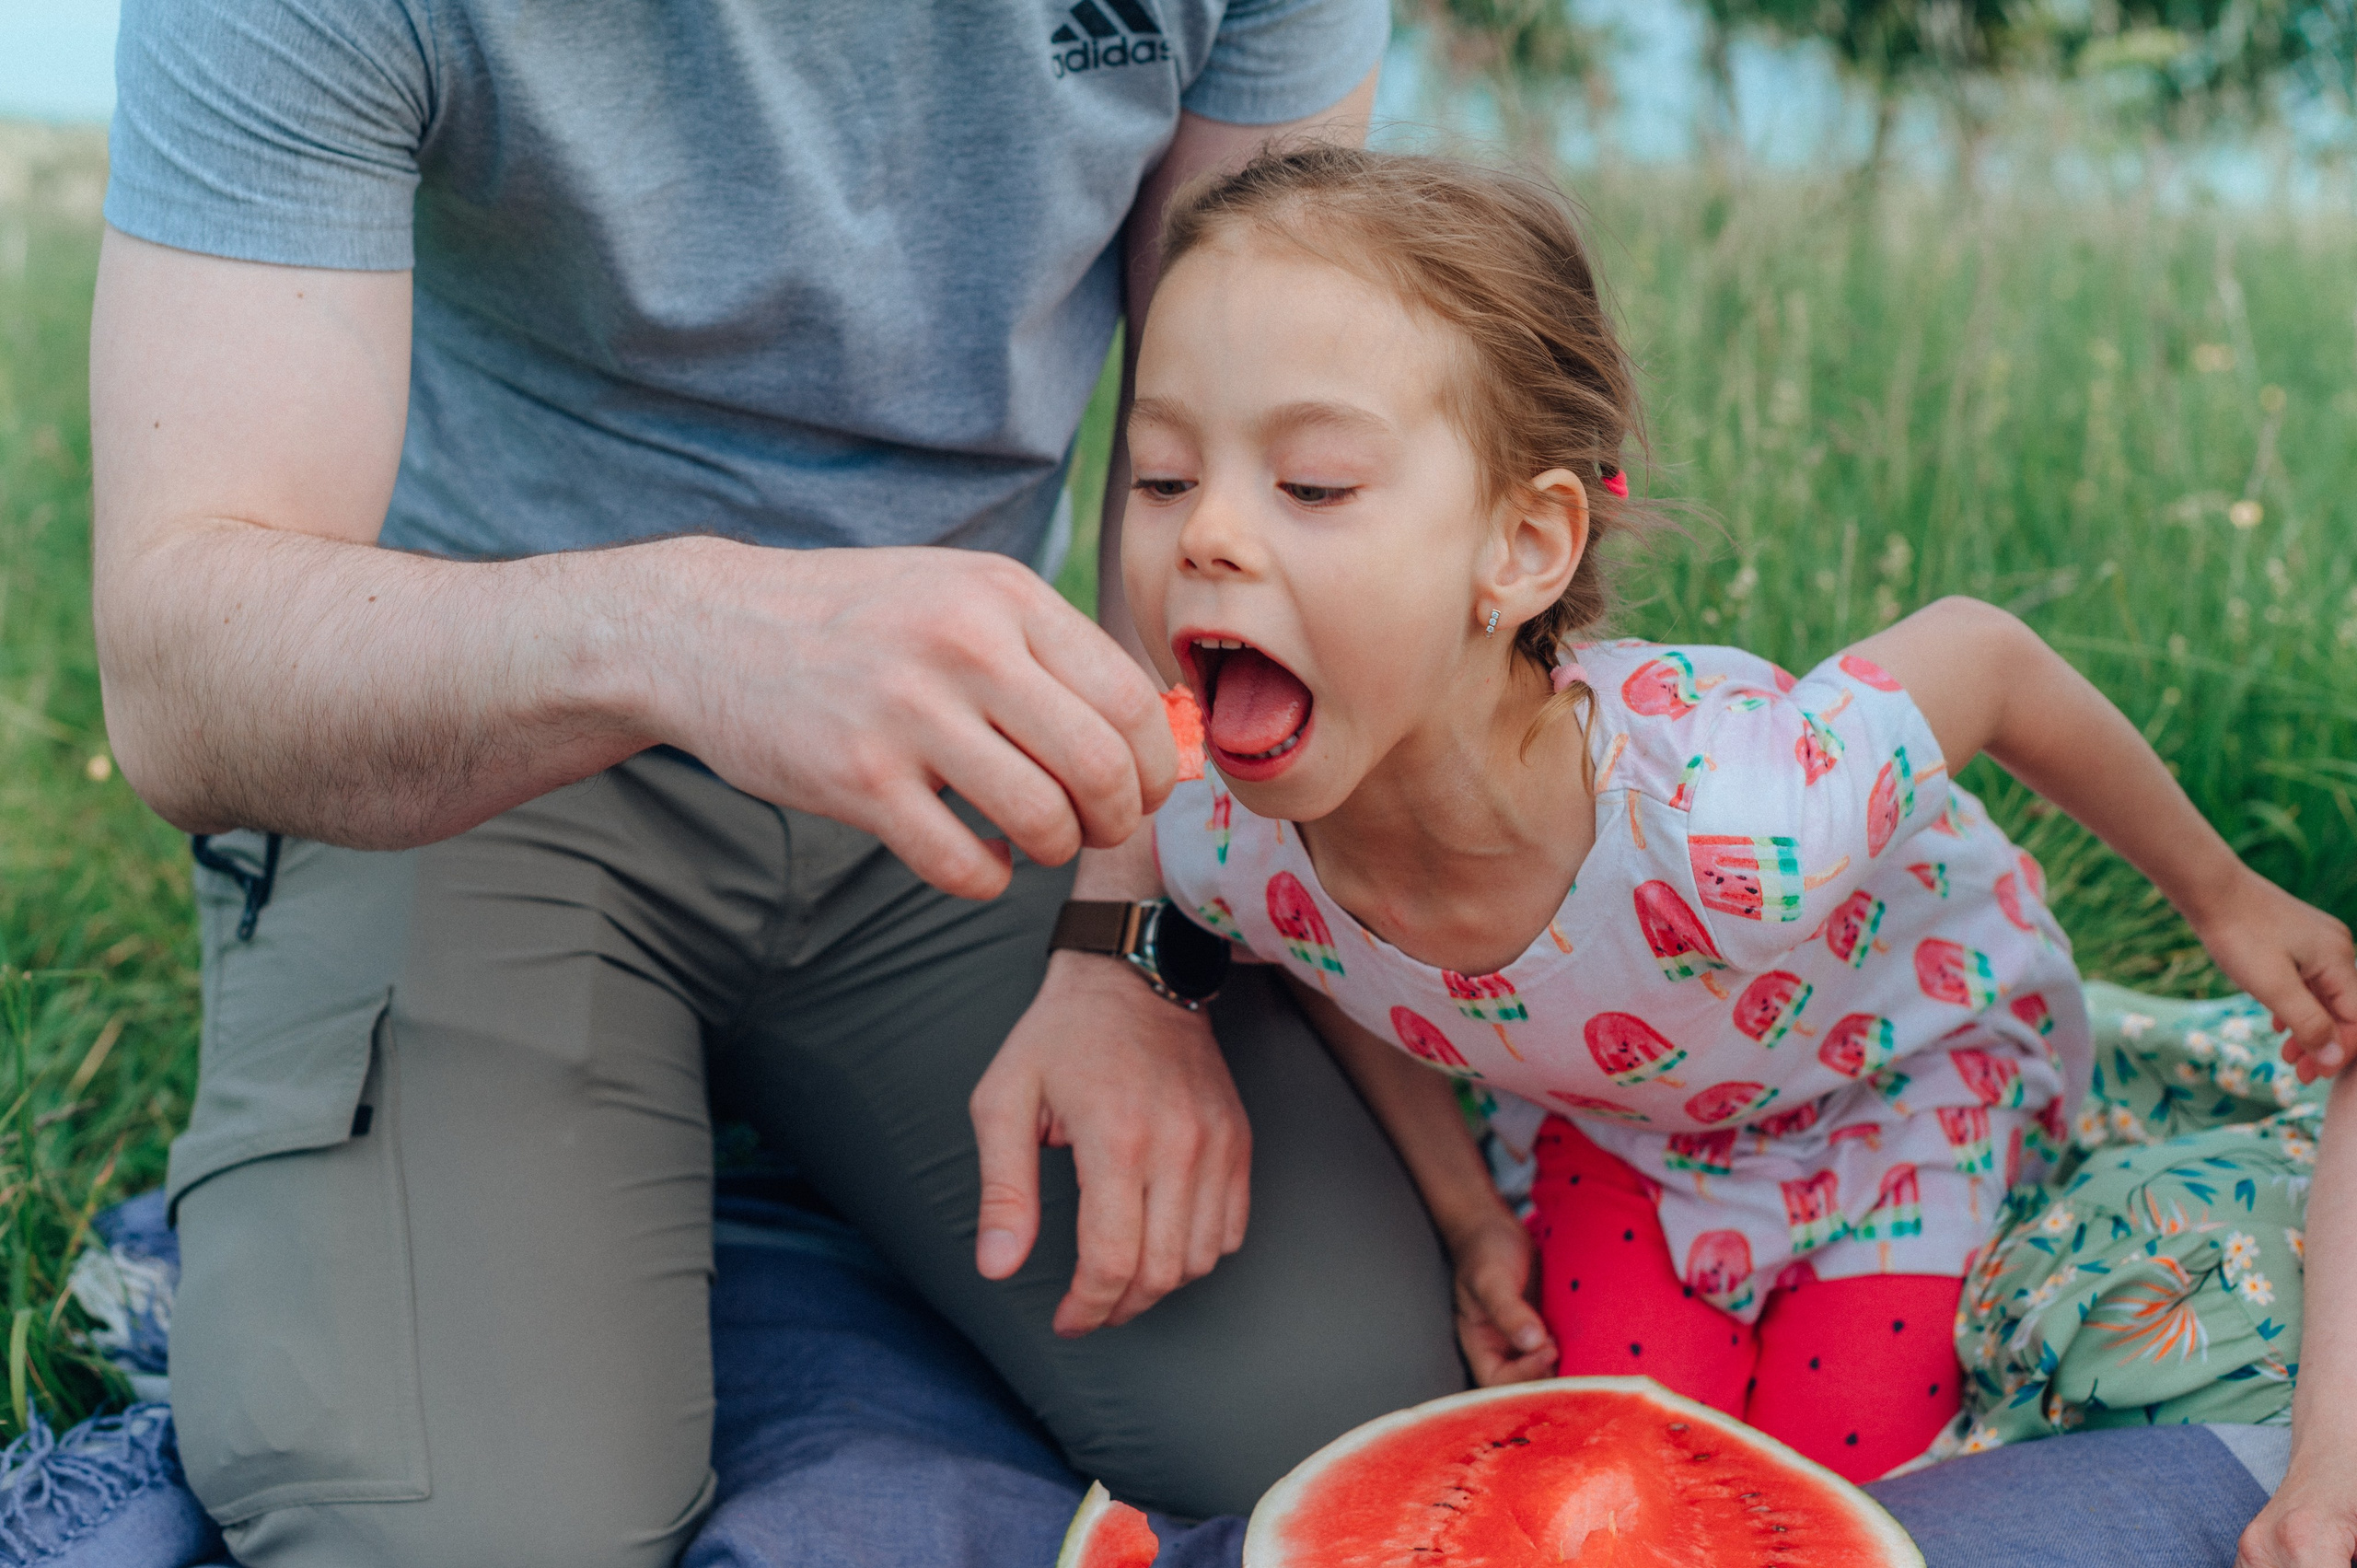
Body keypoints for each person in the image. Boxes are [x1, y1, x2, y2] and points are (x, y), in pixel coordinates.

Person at [86, 2, 1477, 1562]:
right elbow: (178, 673)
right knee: (462, 1541)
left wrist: (1131, 947)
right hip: (471, 753)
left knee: (1373, 1449)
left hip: (986, 767)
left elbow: (1238, 484)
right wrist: (685, 632)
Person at [1085, 140, 2357, 1521]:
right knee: (1624, 1470)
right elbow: (1332, 970)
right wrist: (1464, 1216)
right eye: (1160, 477)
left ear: (1521, 548)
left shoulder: (1738, 821)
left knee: (1839, 1474)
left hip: (1898, 1088)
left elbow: (1984, 656)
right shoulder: (1225, 848)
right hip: (1624, 1130)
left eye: (1313, 484)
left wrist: (2228, 900)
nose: (1206, 533)